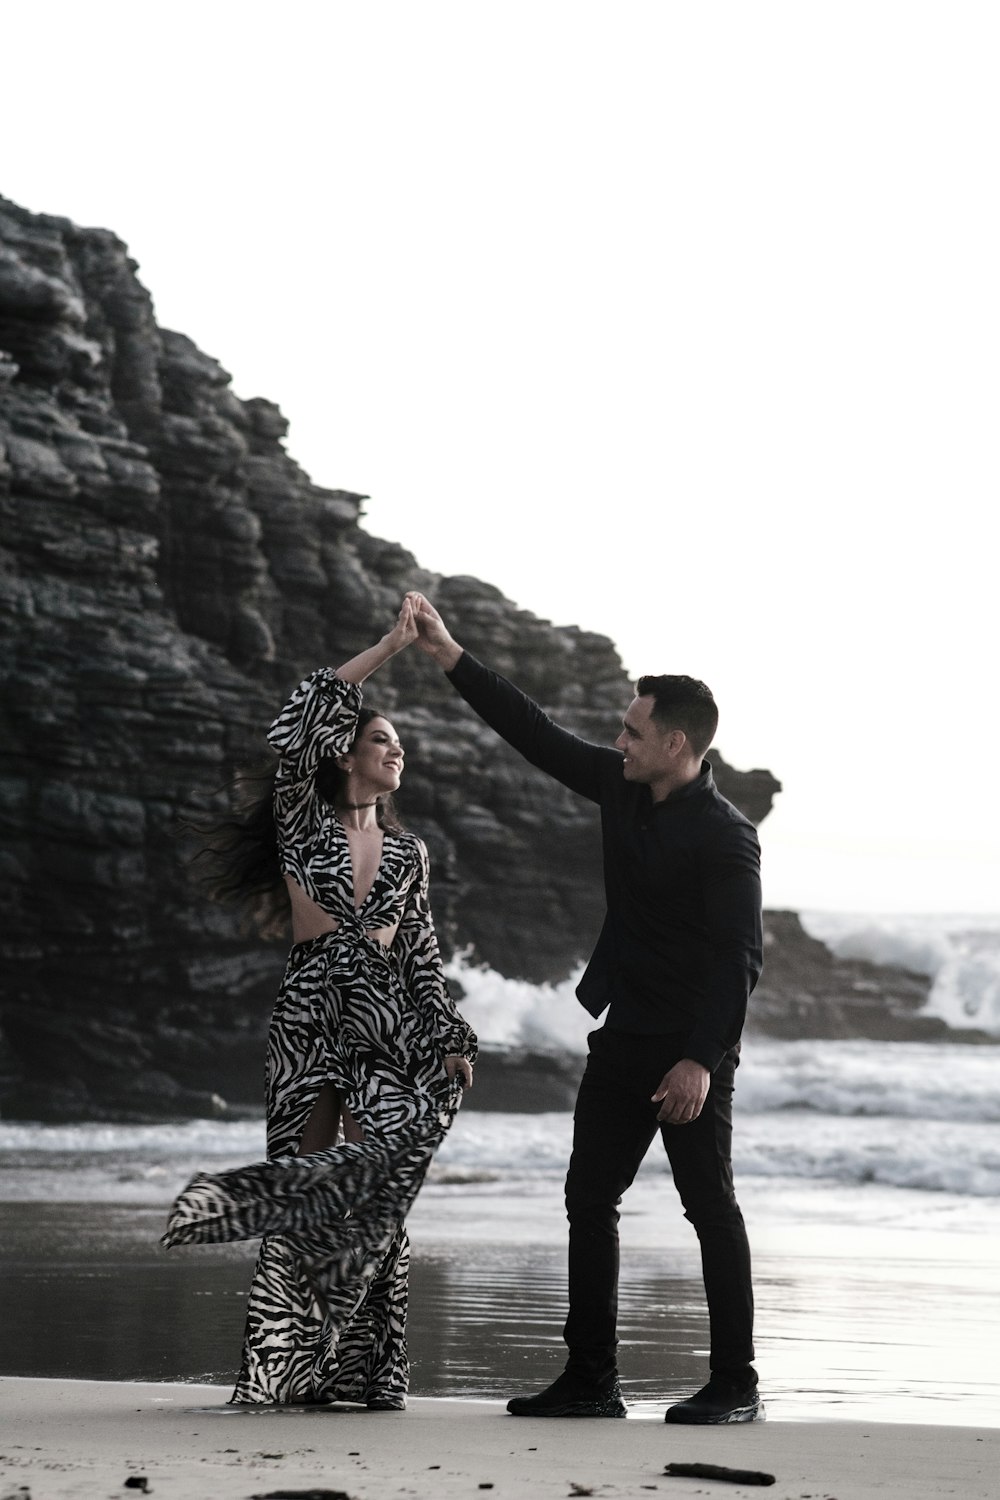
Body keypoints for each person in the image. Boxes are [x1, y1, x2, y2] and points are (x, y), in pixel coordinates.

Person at [410, 591, 763, 1425]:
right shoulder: (620, 786)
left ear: (675, 743)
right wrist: (448, 653)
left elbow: (739, 959)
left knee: (709, 1209)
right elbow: (532, 732)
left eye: (633, 731)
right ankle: (592, 1379)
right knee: (587, 1201)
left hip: (688, 1050)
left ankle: (736, 1384)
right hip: (625, 1034)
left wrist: (700, 1063)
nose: (619, 740)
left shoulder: (726, 836)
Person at [163, 597, 477, 1410]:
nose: (395, 753)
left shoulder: (412, 853)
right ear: (345, 755)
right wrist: (390, 646)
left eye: (401, 747)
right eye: (382, 741)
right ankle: (278, 1372)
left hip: (385, 1021)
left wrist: (448, 1034)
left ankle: (363, 1374)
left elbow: (422, 957)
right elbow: (301, 714)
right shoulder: (303, 819)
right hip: (309, 1009)